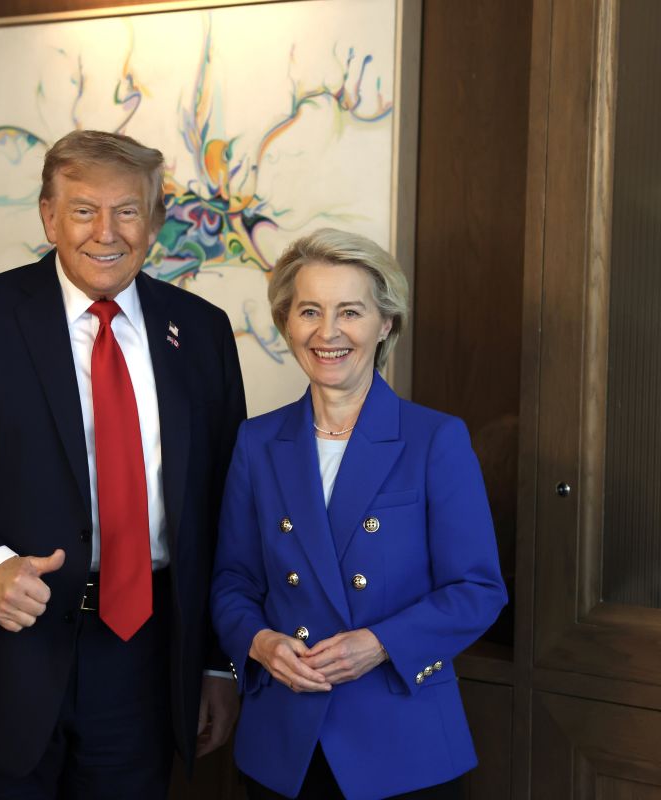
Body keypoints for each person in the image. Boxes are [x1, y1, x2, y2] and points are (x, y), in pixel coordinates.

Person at [0, 129, 245, 798]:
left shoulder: (202, 331)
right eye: (83, 210)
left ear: (155, 222)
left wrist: (217, 664)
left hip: (144, 664)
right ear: (50, 217)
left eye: (127, 210)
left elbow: (227, 507)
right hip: (1, 657)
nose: (106, 232)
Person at [210, 228, 507, 800]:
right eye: (309, 311)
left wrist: (379, 643)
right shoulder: (256, 441)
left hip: (401, 740)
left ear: (385, 323)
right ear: (287, 323)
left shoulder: (435, 439)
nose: (328, 332)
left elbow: (477, 589)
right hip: (284, 739)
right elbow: (232, 580)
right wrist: (260, 642)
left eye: (350, 311)